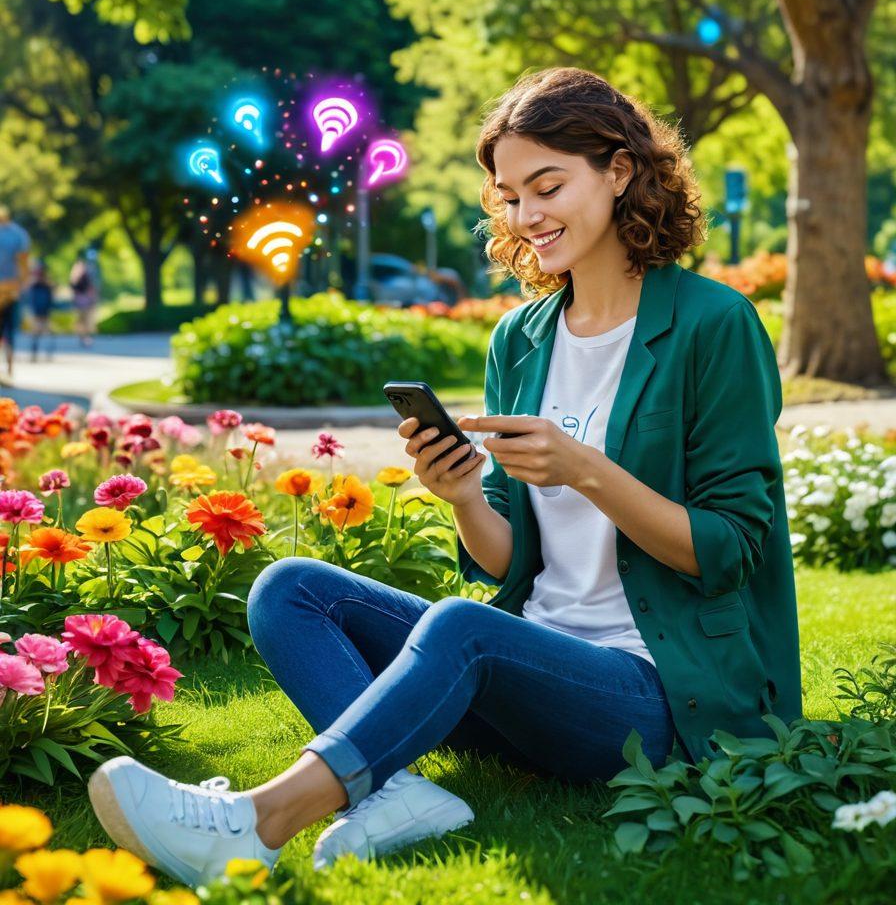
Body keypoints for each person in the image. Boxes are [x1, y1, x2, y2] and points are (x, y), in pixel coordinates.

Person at [87, 68, 801, 887]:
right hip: (535, 671)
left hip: (656, 694)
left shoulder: (713, 325)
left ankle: (260, 820)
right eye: (509, 196)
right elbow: (508, 563)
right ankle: (390, 795)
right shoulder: (521, 339)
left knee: (464, 627)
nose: (527, 216)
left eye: (547, 186)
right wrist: (463, 493)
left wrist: (587, 471)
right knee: (288, 588)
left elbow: (731, 549)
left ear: (620, 171)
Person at [0, 204, 31, 381]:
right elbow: (23, 262)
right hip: (12, 288)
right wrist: (22, 284)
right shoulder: (19, 234)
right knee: (10, 330)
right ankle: (10, 369)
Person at [25, 259, 54, 362]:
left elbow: (51, 294)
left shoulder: (47, 283)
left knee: (45, 332)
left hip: (43, 309)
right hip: (36, 309)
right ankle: (35, 353)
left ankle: (46, 353)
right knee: (36, 332)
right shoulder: (33, 282)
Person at [69, 252, 99, 347]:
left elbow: (73, 286)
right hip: (84, 298)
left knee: (83, 319)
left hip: (81, 299)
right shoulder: (86, 271)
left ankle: (84, 336)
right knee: (85, 319)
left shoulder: (78, 271)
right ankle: (85, 337)